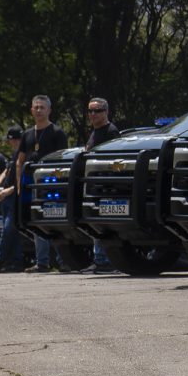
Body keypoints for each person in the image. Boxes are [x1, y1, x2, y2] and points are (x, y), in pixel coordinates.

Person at [18, 95, 69, 273]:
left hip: (51, 182)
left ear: (49, 110)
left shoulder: (57, 132)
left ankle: (65, 261)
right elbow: (20, 161)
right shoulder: (27, 134)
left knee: (55, 220)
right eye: (36, 107)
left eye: (42, 107)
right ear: (31, 110)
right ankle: (42, 262)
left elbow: (63, 160)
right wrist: (19, 186)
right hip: (31, 183)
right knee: (36, 221)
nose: (39, 110)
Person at [80, 97, 121, 274]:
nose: (93, 114)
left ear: (106, 112)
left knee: (102, 222)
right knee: (95, 221)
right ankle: (99, 259)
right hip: (92, 183)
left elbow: (112, 159)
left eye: (97, 111)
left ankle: (106, 261)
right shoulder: (94, 132)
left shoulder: (111, 131)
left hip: (105, 184)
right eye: (90, 111)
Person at [0, 126, 23, 271]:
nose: (11, 143)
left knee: (8, 229)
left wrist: (7, 191)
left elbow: (23, 180)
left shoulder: (24, 154)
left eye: (12, 140)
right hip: (6, 197)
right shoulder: (15, 155)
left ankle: (1, 258)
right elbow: (6, 171)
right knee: (12, 232)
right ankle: (14, 261)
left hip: (14, 196)